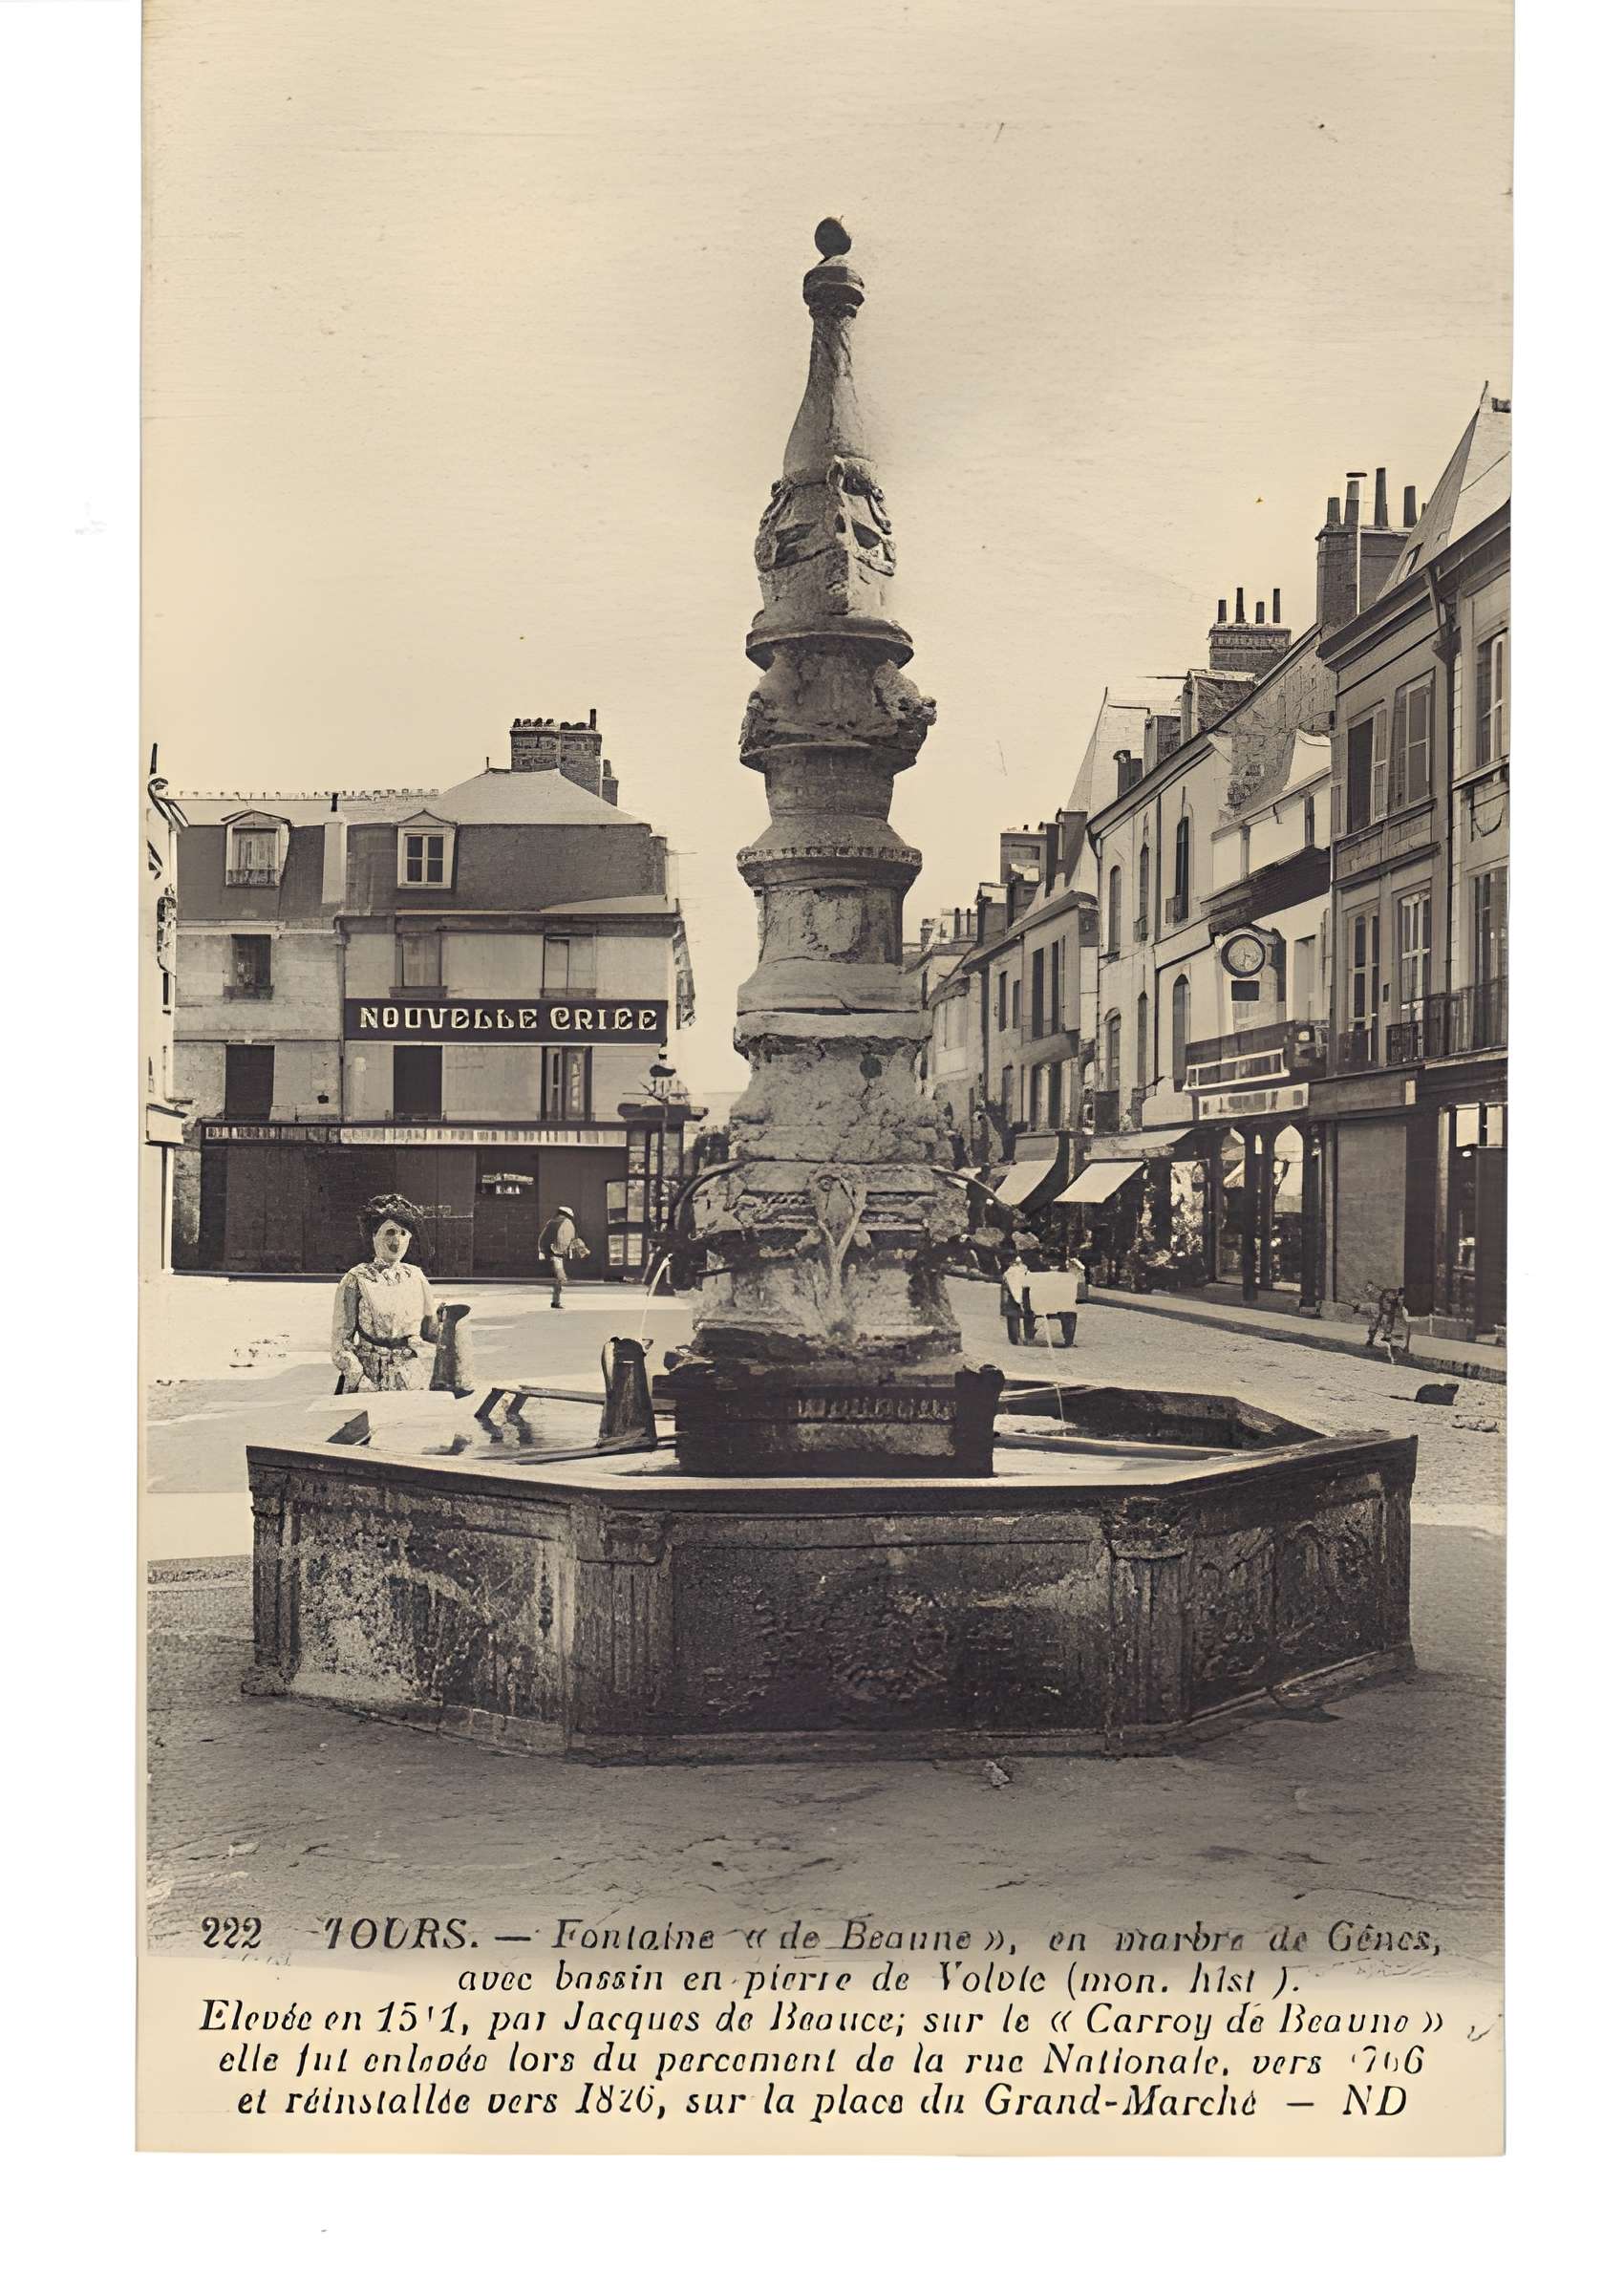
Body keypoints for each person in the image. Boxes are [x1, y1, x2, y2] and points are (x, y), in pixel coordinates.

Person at [331, 1195, 441, 1392]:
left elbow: (431, 1333)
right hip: (370, 1376)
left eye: (402, 1233)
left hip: (412, 1377)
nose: (396, 1240)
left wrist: (443, 1323)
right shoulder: (356, 1278)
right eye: (390, 1232)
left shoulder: (416, 1276)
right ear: (374, 1236)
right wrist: (359, 1378)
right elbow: (341, 1343)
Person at [538, 1202, 587, 1308]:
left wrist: (542, 1251)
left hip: (551, 1253)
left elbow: (542, 1238)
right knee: (560, 1278)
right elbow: (571, 1239)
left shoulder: (551, 1222)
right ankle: (555, 1302)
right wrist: (581, 1250)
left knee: (559, 1278)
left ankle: (556, 1301)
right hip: (557, 1255)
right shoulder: (567, 1223)